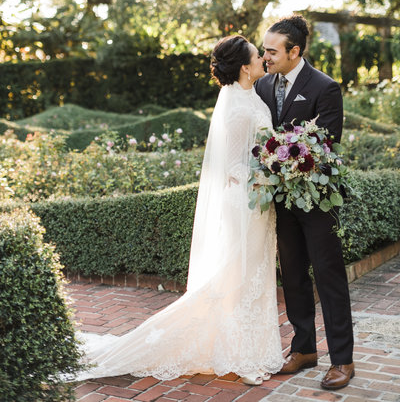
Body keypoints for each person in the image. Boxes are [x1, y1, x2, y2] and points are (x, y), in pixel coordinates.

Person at [75, 35, 283, 385]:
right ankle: (240, 357)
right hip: (244, 205)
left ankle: (251, 349)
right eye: (256, 56)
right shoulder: (234, 107)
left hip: (260, 204)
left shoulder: (253, 95)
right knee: (235, 280)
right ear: (245, 67)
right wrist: (273, 173)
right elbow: (232, 167)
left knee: (255, 277)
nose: (263, 58)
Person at [255, 15, 354, 390]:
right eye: (264, 51)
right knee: (293, 274)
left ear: (295, 51)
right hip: (280, 200)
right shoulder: (263, 85)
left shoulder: (325, 87)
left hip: (317, 202)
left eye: (271, 51)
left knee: (329, 278)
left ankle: (342, 359)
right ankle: (304, 348)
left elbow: (325, 145)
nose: (265, 57)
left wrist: (284, 157)